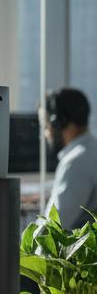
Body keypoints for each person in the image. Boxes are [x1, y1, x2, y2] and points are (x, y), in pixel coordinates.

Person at [41, 87, 97, 231]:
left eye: (45, 125)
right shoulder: (92, 151)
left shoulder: (76, 162)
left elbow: (51, 230)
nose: (45, 133)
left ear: (58, 122)